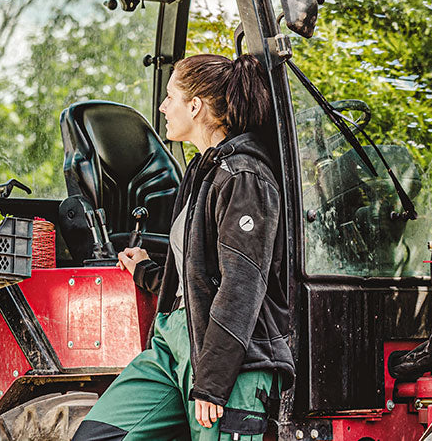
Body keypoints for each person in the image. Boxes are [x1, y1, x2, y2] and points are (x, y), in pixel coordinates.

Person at [72, 54, 292, 441]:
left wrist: (213, 382)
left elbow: (241, 285)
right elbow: (199, 275)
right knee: (96, 435)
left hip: (229, 362)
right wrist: (147, 271)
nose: (161, 106)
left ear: (195, 106)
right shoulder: (203, 172)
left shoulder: (244, 177)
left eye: (170, 96)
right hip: (174, 342)